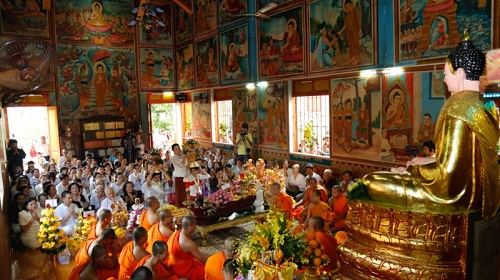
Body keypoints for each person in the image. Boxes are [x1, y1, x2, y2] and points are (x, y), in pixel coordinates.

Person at [363, 30, 500, 218]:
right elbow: (462, 161)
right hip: (477, 193)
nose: (444, 79)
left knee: (371, 182)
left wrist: (414, 169)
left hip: (453, 196)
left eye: (445, 73)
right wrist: (427, 160)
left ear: (459, 74)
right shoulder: (487, 104)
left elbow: (448, 175)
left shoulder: (458, 108)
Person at [167, 215, 207, 279]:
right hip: (182, 270)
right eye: (195, 226)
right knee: (206, 270)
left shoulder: (175, 233)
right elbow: (202, 259)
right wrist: (210, 263)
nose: (195, 227)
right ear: (190, 227)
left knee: (196, 260)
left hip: (172, 264)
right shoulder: (188, 243)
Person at [172, 143, 188, 207]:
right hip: (179, 177)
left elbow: (186, 165)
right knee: (180, 194)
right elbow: (181, 165)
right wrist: (185, 157)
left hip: (185, 176)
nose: (178, 150)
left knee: (186, 193)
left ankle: (187, 206)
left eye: (179, 148)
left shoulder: (182, 155)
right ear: (173, 151)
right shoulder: (174, 157)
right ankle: (181, 207)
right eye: (176, 149)